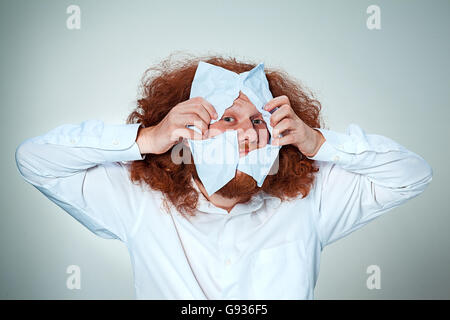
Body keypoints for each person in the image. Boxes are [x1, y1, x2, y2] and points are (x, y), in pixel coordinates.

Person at [15, 55, 433, 299]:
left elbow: (412, 175)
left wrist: (318, 144)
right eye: (226, 118)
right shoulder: (138, 200)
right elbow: (34, 159)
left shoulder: (312, 200)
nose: (246, 134)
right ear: (187, 128)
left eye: (257, 119)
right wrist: (148, 138)